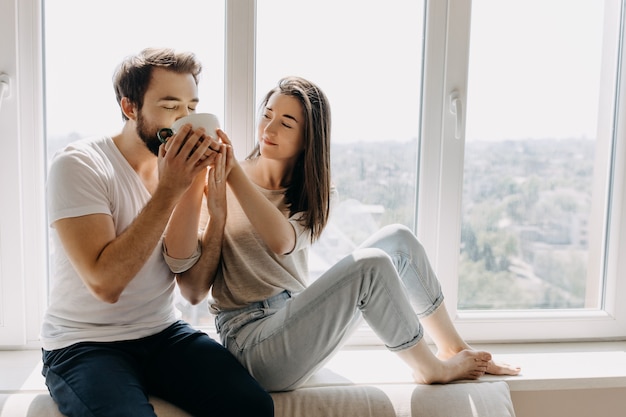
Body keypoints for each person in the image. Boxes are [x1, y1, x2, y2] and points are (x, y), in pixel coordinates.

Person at [164, 76, 521, 393]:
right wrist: (214, 185)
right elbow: (193, 289)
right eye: (267, 114)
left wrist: (231, 177)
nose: (268, 129)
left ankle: (454, 349)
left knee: (397, 239)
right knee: (370, 265)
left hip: (296, 325)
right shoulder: (223, 180)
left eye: (286, 123)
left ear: (308, 139)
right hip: (253, 344)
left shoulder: (313, 192)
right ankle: (428, 369)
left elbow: (282, 241)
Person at [41, 47, 274, 417]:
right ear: (130, 107)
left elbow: (194, 290)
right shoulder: (79, 165)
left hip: (162, 332)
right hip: (85, 343)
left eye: (191, 107)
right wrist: (171, 189)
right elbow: (105, 285)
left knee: (252, 406)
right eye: (170, 106)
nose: (185, 119)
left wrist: (216, 212)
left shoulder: (185, 174)